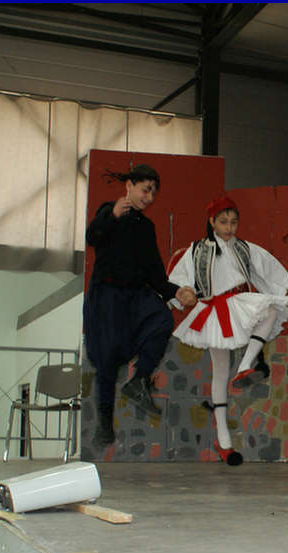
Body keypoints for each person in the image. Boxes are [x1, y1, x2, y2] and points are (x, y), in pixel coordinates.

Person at [167, 195, 288, 466]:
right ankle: (223, 440)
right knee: (220, 371)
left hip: (239, 303)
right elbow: (178, 280)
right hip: (214, 308)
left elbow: (268, 271)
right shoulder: (196, 250)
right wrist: (182, 293)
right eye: (223, 222)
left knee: (271, 310)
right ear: (212, 222)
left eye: (234, 222)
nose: (229, 227)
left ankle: (246, 365)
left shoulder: (245, 248)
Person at [84, 164, 197, 446]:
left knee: (162, 318)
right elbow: (92, 237)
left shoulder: (147, 227)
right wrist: (112, 215)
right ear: (129, 186)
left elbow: (156, 276)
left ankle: (139, 380)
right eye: (145, 190)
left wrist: (178, 292)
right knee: (107, 359)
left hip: (135, 296)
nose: (149, 197)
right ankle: (104, 425)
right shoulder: (108, 211)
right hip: (107, 296)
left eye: (153, 193)